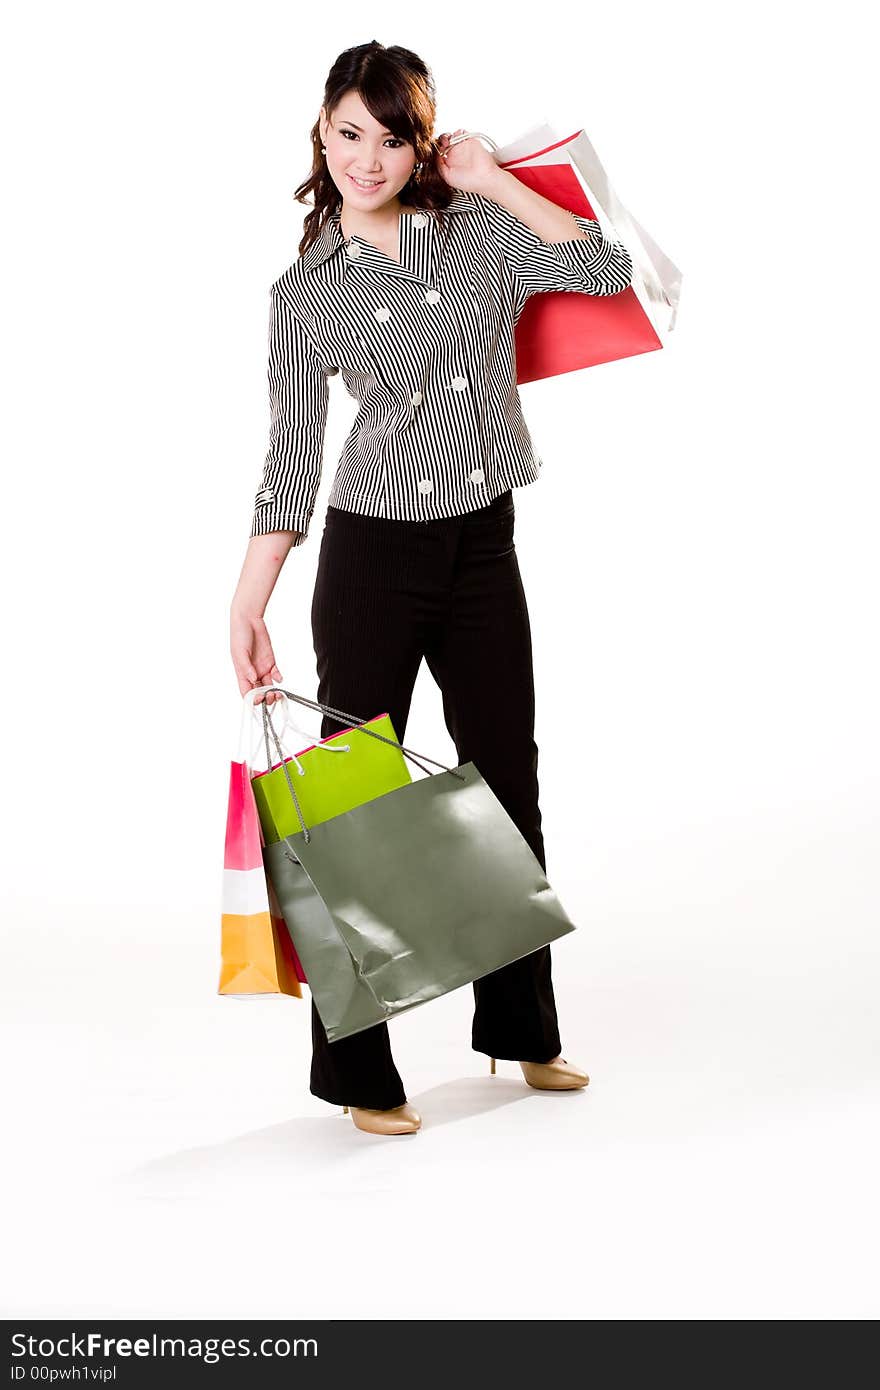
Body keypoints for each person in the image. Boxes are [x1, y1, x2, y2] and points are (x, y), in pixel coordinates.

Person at [229, 41, 634, 1136]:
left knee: (508, 779)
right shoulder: (307, 290)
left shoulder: (475, 229)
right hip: (370, 556)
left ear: (422, 139)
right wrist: (248, 599)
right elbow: (292, 455)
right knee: (351, 811)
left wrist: (495, 177)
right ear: (321, 133)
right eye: (349, 132)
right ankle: (358, 1073)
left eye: (393, 134)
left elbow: (603, 270)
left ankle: (521, 1030)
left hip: (482, 545)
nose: (369, 156)